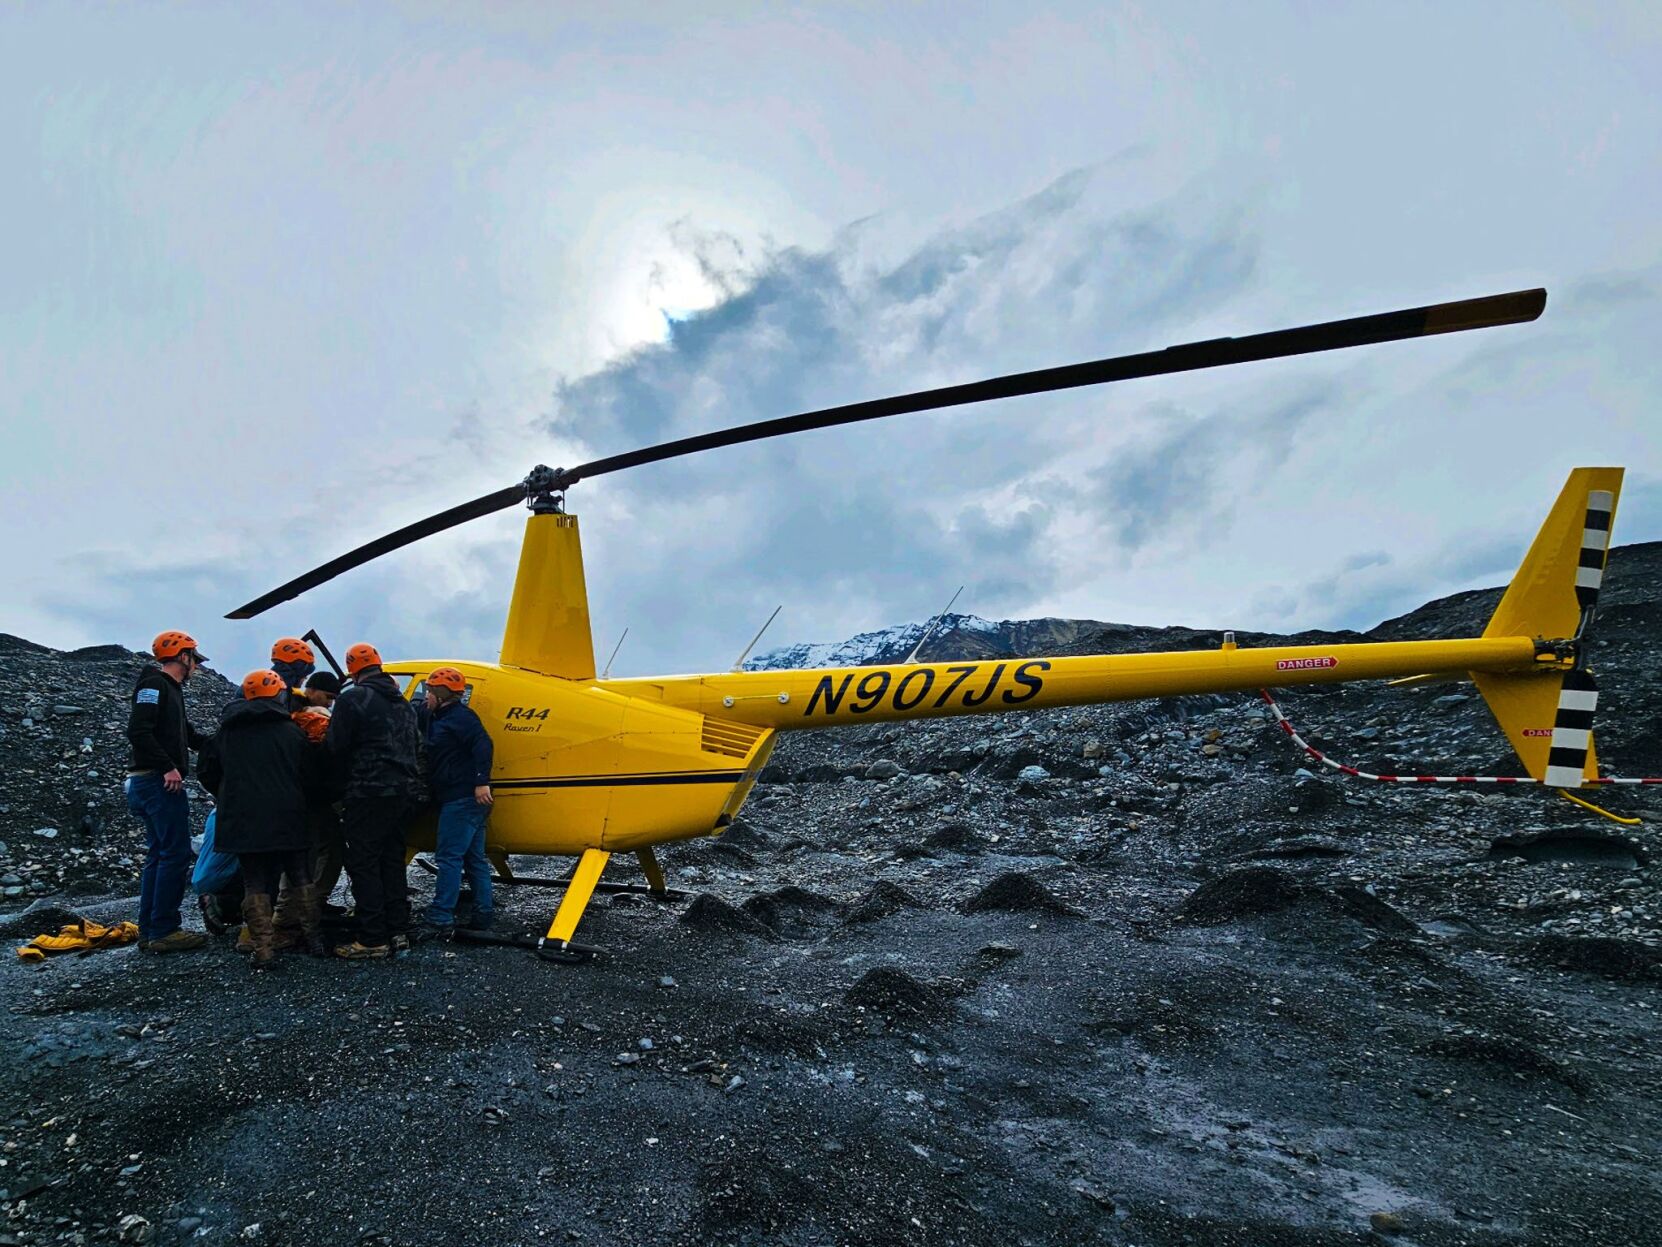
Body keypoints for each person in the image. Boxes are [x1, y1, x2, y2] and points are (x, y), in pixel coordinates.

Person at [198, 671, 326, 968]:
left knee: (254, 882)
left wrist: (227, 795)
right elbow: (312, 775)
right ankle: (314, 939)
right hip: (288, 815)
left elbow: (206, 771)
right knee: (300, 876)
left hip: (243, 819)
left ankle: (263, 950)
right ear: (280, 696)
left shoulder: (226, 734)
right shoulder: (291, 732)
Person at [327, 642, 423, 959]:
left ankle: (371, 938)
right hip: (404, 793)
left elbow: (336, 747)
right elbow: (417, 745)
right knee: (391, 860)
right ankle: (398, 929)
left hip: (368, 792)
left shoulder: (353, 698)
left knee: (364, 862)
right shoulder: (404, 704)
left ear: (352, 670)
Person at [125, 630, 213, 954]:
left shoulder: (171, 691)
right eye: (194, 660)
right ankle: (164, 930)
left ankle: (150, 931)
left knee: (158, 854)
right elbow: (138, 731)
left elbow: (187, 736)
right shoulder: (153, 685)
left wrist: (219, 744)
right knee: (174, 853)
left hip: (150, 781)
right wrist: (167, 767)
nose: (196, 668)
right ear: (182, 656)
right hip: (156, 782)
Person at [415, 667, 494, 942]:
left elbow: (484, 745)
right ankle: (483, 915)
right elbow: (417, 712)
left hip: (461, 800)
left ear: (440, 695)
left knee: (448, 858)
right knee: (474, 858)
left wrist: (481, 781)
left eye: (429, 692)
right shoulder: (437, 715)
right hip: (469, 801)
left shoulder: (462, 719)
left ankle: (440, 916)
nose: (425, 697)